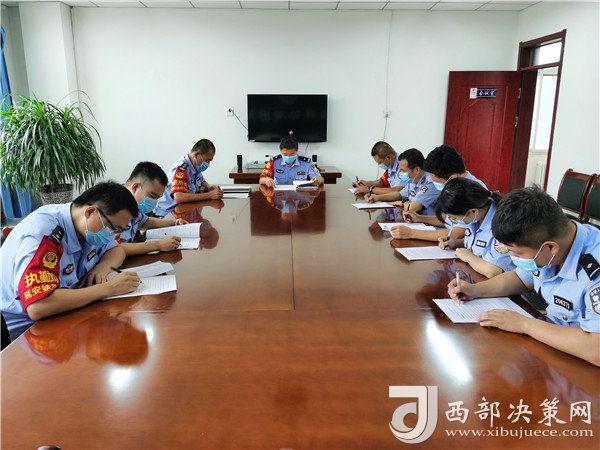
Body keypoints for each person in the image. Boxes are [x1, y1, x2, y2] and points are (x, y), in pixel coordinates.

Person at [447, 187, 600, 366]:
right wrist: (475, 290)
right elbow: (520, 278)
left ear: (550, 247)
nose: (513, 258)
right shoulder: (548, 242)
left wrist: (524, 325)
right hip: (553, 345)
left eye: (518, 253)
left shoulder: (594, 268)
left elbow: (596, 349)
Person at [0, 181, 141, 340]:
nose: (113, 234)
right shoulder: (46, 232)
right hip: (24, 333)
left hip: (66, 314)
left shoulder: (87, 226)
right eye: (113, 228)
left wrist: (101, 269)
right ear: (90, 212)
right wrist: (109, 288)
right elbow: (38, 306)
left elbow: (116, 250)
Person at [389, 144, 486, 242]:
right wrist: (420, 218)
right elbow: (449, 220)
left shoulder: (472, 190)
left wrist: (411, 233)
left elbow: (457, 234)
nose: (435, 185)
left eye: (436, 181)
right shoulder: (457, 183)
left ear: (452, 178)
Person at [435, 178, 514, 278]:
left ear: (473, 212)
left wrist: (468, 257)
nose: (455, 221)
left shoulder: (502, 225)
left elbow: (493, 271)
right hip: (474, 275)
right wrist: (457, 242)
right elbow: (482, 243)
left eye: (454, 218)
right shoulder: (477, 216)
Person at [120, 162, 189, 256]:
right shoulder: (111, 206)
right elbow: (114, 249)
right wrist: (158, 245)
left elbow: (144, 222)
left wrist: (174, 223)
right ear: (135, 187)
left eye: (157, 198)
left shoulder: (132, 203)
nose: (154, 202)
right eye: (153, 196)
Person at [155, 139, 223, 216]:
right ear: (197, 155)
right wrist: (209, 195)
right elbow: (178, 197)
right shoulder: (181, 168)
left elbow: (202, 181)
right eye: (208, 160)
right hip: (169, 214)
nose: (208, 164)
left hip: (185, 210)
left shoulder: (195, 166)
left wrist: (209, 187)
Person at [364, 148, 439, 216]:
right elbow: (399, 194)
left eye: (403, 171)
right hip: (415, 219)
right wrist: (377, 197)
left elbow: (411, 207)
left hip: (429, 224)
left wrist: (402, 203)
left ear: (416, 170)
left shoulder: (431, 182)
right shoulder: (414, 179)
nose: (400, 173)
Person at [259, 135, 324, 187]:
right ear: (280, 151)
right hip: (280, 195)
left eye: (292, 154)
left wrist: (317, 180)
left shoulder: (306, 163)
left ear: (297, 152)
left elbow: (321, 179)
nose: (288, 157)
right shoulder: (274, 162)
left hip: (300, 196)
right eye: (285, 154)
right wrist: (266, 180)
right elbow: (261, 180)